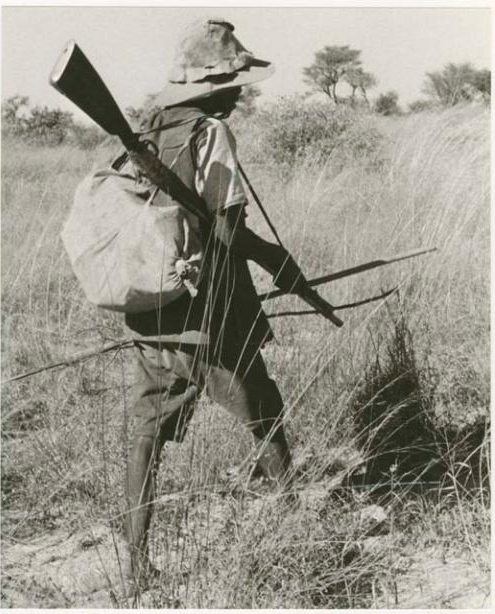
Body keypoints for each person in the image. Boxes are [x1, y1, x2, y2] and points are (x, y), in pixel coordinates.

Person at [120, 18, 335, 586]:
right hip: (209, 305)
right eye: (234, 80)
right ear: (211, 83)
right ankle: (294, 523)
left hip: (152, 303)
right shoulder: (208, 132)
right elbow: (226, 229)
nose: (241, 90)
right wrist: (280, 263)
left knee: (147, 430)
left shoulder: (146, 129)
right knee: (263, 407)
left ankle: (136, 564)